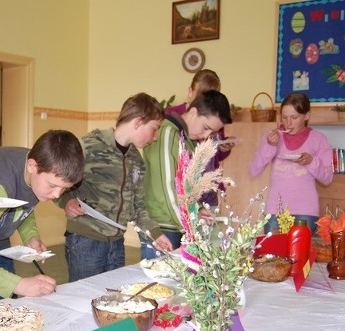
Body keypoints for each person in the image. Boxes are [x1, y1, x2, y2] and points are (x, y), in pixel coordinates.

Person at [0, 130, 85, 307]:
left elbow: (22, 203)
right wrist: (20, 284)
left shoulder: (39, 172)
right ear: (31, 166)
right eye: (53, 186)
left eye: (64, 189)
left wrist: (31, 236)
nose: (57, 194)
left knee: (6, 312)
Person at [58, 93, 173, 283]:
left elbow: (138, 207)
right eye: (154, 129)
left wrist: (156, 234)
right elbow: (57, 176)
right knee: (84, 299)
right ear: (138, 122)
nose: (155, 137)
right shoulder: (89, 145)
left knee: (113, 299)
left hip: (117, 244)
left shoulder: (137, 160)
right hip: (86, 242)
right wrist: (65, 201)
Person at [142, 90, 232, 258]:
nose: (205, 136)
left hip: (177, 224)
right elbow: (167, 189)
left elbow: (187, 188)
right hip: (162, 227)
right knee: (156, 282)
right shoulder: (168, 133)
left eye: (211, 133)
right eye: (206, 128)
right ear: (193, 112)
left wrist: (197, 210)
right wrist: (191, 224)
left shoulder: (187, 139)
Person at [249, 92, 333, 234]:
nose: (288, 123)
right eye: (284, 117)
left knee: (300, 255)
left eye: (294, 117)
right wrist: (270, 145)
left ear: (306, 116)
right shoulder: (272, 136)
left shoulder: (319, 139)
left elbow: (327, 179)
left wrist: (311, 161)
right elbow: (254, 170)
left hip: (306, 211)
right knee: (273, 255)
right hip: (275, 211)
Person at [165, 69, 234, 208]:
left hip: (208, 189)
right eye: (201, 95)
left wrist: (221, 147)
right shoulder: (172, 118)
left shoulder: (215, 119)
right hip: (184, 192)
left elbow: (215, 157)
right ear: (190, 91)